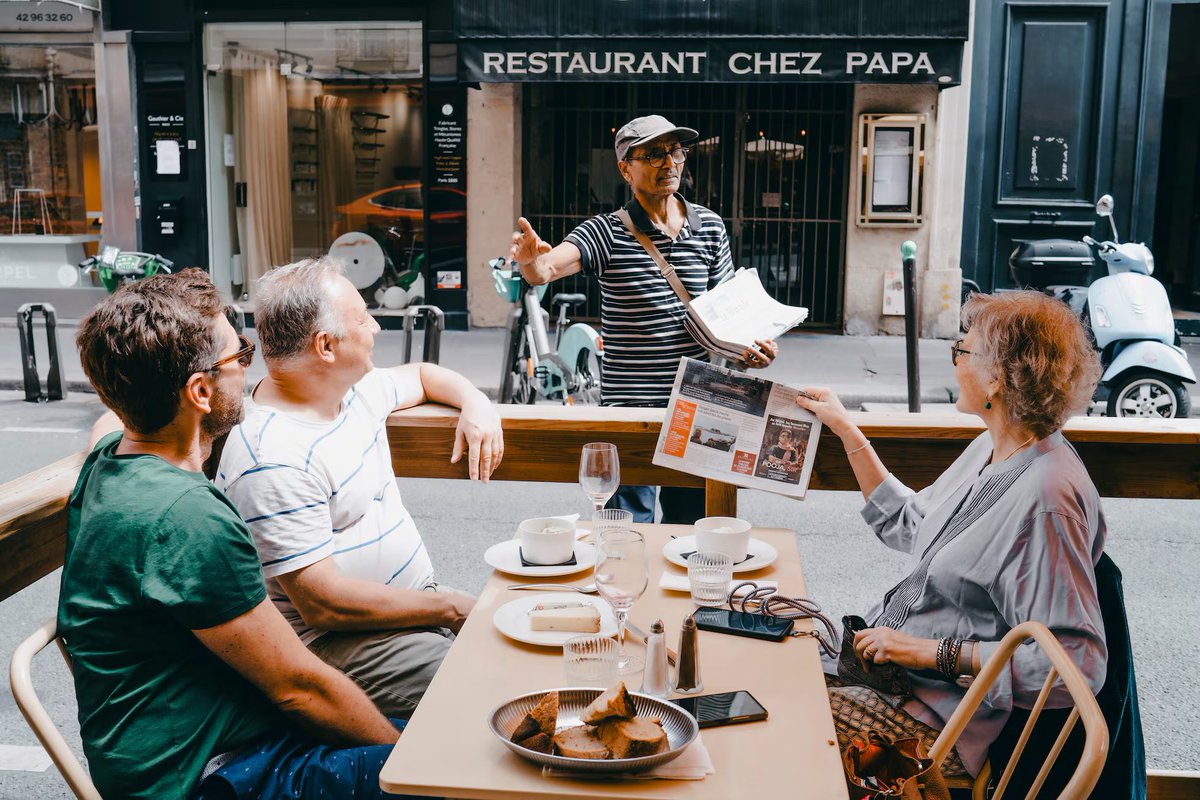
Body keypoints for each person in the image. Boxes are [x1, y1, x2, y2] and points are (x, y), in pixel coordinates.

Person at [61, 269, 405, 800]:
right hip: (206, 773)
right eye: (240, 356)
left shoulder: (108, 462)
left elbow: (108, 425)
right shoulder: (188, 517)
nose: (252, 369)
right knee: (444, 771)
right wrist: (405, 763)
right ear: (200, 391)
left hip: (154, 755)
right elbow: (299, 689)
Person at [795, 290, 1108, 779]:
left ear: (998, 377)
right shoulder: (993, 446)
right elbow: (911, 525)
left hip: (933, 725)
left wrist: (924, 651)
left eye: (962, 349)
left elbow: (1076, 666)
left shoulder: (1049, 499)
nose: (956, 360)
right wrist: (848, 432)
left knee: (776, 717)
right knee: (763, 664)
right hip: (889, 677)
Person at [216, 257, 503, 719]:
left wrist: (477, 403)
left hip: (415, 606)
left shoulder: (350, 391)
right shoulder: (272, 455)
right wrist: (447, 607)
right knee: (497, 686)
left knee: (522, 644)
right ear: (326, 346)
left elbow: (423, 375)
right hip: (340, 641)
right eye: (363, 317)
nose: (376, 327)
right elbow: (323, 605)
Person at [509, 114, 778, 524]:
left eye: (675, 151)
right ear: (625, 169)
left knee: (691, 532)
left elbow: (729, 315)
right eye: (653, 154)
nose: (668, 163)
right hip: (629, 413)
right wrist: (532, 262)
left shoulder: (710, 227)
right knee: (625, 532)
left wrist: (751, 350)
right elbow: (547, 268)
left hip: (695, 408)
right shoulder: (606, 233)